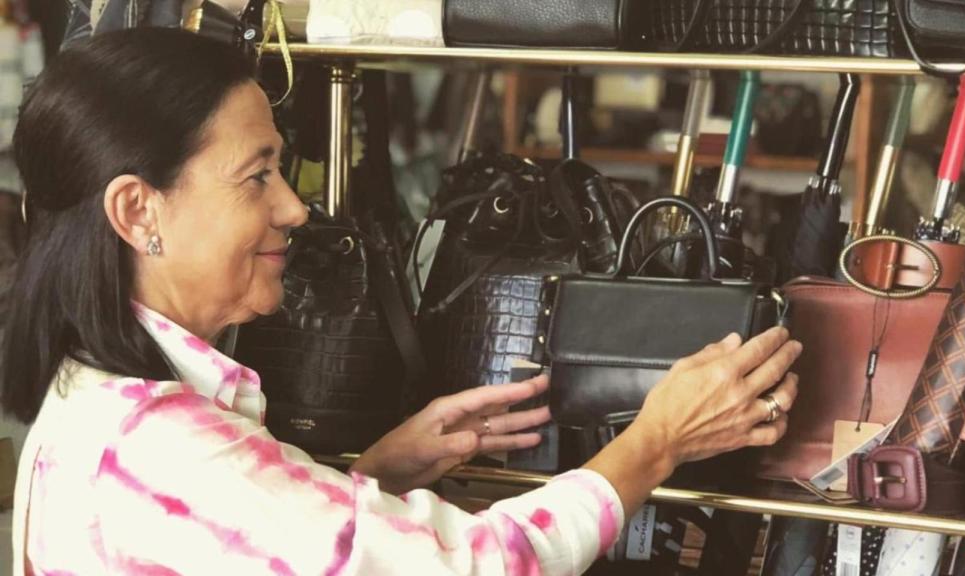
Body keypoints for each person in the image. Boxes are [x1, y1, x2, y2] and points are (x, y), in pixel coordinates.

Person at [2, 28, 801, 575]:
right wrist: (656, 442)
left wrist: (380, 471)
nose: (293, 208)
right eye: (257, 176)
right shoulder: (165, 444)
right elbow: (474, 566)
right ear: (139, 211)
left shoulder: (92, 400)